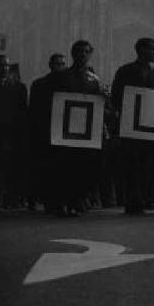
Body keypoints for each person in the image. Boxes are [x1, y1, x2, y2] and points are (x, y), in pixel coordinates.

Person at [53, 40, 105, 216]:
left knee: (84, 166)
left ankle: (78, 200)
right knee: (65, 165)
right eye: (79, 51)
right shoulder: (62, 76)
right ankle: (63, 201)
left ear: (90, 54)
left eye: (86, 51)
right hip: (65, 128)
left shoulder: (94, 80)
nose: (82, 55)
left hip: (86, 130)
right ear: (73, 54)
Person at [111, 38, 154, 215]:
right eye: (153, 50)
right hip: (130, 125)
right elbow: (117, 96)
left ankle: (142, 197)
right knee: (131, 162)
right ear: (141, 50)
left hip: (149, 125)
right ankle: (132, 198)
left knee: (147, 163)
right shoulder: (125, 71)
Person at [28, 53, 67, 211]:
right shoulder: (39, 84)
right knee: (46, 167)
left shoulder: (67, 83)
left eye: (62, 64)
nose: (59, 66)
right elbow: (34, 109)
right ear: (50, 65)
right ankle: (47, 200)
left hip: (62, 130)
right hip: (44, 129)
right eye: (57, 63)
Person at [0, 54, 28, 209]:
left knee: (10, 167)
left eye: (6, 65)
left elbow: (22, 112)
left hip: (11, 134)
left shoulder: (18, 87)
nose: (4, 69)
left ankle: (11, 199)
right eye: (0, 65)